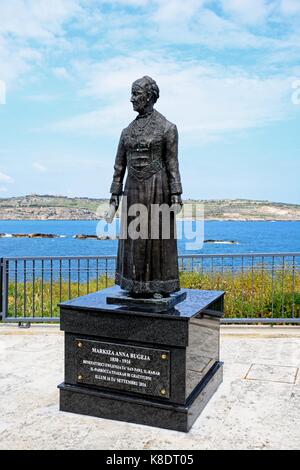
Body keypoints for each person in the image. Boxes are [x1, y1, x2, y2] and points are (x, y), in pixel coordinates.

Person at [107, 76, 183, 296]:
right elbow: (119, 165)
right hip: (132, 189)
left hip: (157, 188)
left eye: (136, 94)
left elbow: (172, 163)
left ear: (149, 96)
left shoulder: (167, 128)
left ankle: (159, 284)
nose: (131, 99)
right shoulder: (126, 132)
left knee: (157, 237)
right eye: (131, 94)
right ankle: (132, 283)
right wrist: (114, 194)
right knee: (133, 238)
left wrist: (176, 192)